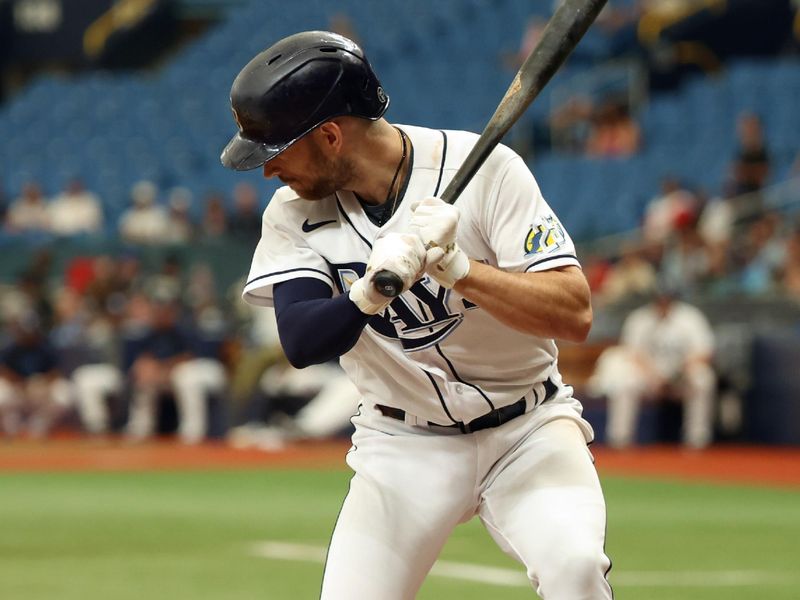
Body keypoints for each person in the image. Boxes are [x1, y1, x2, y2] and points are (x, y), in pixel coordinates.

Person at [221, 31, 612, 599]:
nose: (267, 172)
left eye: (276, 152)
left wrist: (457, 268)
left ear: (330, 135)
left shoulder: (489, 170)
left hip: (527, 430)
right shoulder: (291, 215)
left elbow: (573, 312)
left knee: (574, 566)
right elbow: (302, 340)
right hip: (403, 446)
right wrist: (370, 292)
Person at [588, 284, 716, 449]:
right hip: (649, 376)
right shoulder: (640, 318)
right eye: (659, 299)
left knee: (703, 379)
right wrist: (653, 376)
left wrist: (681, 371)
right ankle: (619, 440)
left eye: (666, 299)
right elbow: (633, 354)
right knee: (626, 382)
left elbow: (705, 352)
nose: (663, 302)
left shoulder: (690, 317)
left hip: (681, 375)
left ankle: (697, 439)